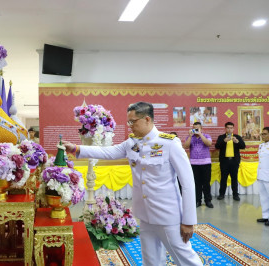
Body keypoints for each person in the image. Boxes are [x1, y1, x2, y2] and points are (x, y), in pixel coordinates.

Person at [63, 102, 202, 266]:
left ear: (147, 119)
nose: (130, 126)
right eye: (128, 122)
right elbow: (108, 152)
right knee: (151, 260)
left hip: (167, 215)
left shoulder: (170, 144)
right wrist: (77, 149)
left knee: (185, 259)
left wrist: (188, 220)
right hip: (145, 215)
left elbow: (187, 183)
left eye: (133, 121)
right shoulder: (131, 143)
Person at [183, 122, 213, 208]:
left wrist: (200, 135)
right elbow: (185, 146)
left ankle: (208, 201)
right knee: (197, 183)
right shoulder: (190, 137)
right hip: (194, 164)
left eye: (197, 128)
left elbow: (209, 144)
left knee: (206, 183)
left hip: (206, 163)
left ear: (201, 128)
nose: (196, 130)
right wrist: (190, 136)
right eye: (194, 128)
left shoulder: (206, 136)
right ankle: (197, 200)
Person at [215, 122, 246, 201]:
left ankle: (235, 195)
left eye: (231, 128)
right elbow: (217, 146)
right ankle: (222, 194)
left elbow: (243, 146)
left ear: (233, 129)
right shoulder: (221, 137)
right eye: (228, 128)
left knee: (234, 178)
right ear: (225, 128)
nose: (229, 129)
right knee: (223, 178)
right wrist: (224, 141)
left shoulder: (237, 137)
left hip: (234, 161)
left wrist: (237, 142)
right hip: (224, 161)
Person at [257, 127, 269, 226]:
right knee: (263, 197)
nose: (263, 136)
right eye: (262, 134)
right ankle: (265, 216)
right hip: (261, 175)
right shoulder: (261, 146)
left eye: (265, 134)